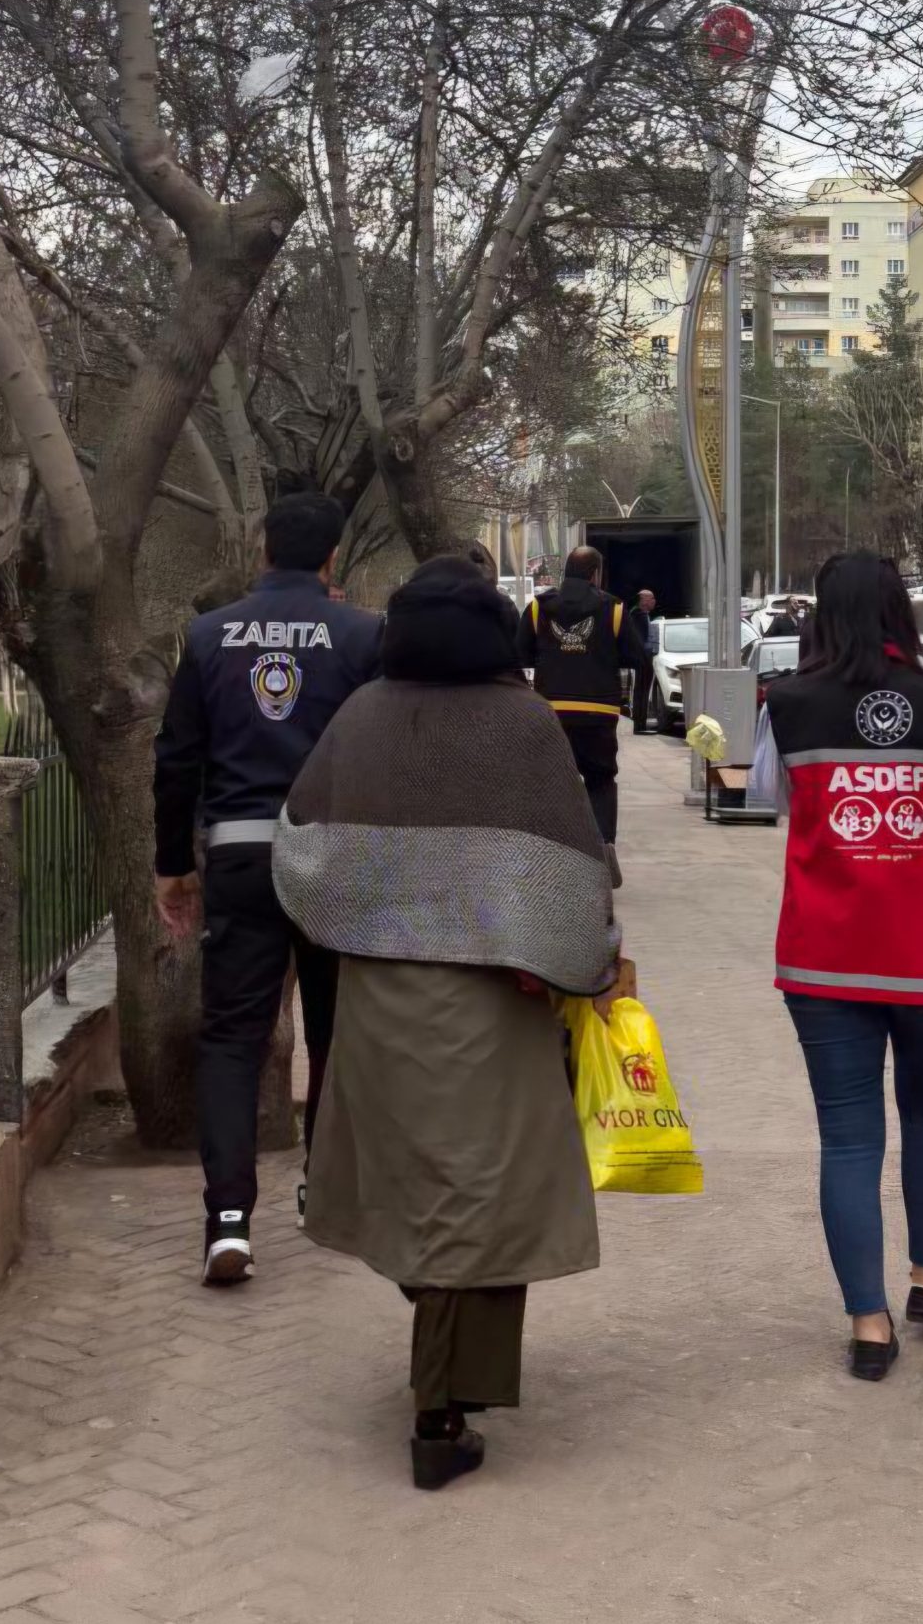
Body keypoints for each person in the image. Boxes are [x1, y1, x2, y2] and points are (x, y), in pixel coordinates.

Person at [272, 557, 621, 1490]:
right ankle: (439, 1408)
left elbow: (301, 840)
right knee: (481, 1192)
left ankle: (444, 1364)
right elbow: (573, 863)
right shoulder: (523, 722)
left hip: (381, 996)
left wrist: (370, 909)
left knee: (421, 1185)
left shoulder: (360, 717)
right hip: (498, 1002)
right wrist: (586, 952)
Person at [747, 552, 923, 1382]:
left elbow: (773, 797)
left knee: (847, 1135)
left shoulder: (791, 707)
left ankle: (868, 1327)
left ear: (820, 621)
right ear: (900, 614)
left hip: (825, 960)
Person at [152, 492, 383, 1285]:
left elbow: (177, 758)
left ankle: (228, 1221)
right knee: (334, 1030)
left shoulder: (209, 635)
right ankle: (324, 1190)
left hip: (243, 856)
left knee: (233, 1037)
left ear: (261, 554)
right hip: (336, 857)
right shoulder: (362, 634)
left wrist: (171, 865)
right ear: (332, 561)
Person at [514, 547, 638, 844]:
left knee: (552, 782)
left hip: (552, 712)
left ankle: (554, 851)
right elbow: (636, 657)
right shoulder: (615, 609)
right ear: (595, 574)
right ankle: (603, 852)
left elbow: (518, 655)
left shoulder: (538, 608)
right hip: (599, 712)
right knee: (600, 780)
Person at [627, 587, 659, 734]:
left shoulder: (643, 615)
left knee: (643, 691)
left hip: (644, 658)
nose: (654, 601)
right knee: (641, 691)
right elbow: (639, 640)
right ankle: (639, 725)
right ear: (644, 601)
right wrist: (646, 656)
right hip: (642, 659)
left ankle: (641, 724)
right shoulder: (636, 615)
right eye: (651, 598)